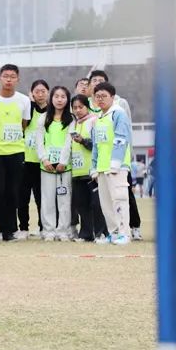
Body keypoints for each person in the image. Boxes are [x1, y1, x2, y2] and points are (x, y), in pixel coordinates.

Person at [0, 64, 32, 242]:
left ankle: (9, 229)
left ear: (18, 79)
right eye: (6, 76)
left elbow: (24, 124)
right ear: (0, 78)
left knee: (13, 192)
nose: (9, 79)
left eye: (12, 76)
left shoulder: (24, 101)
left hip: (16, 151)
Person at [91, 82, 133, 245]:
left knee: (119, 200)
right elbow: (96, 145)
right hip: (102, 167)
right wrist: (94, 167)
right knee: (106, 204)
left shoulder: (118, 114)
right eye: (97, 96)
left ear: (112, 97)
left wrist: (115, 163)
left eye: (104, 96)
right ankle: (114, 233)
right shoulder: (98, 118)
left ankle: (124, 234)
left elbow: (121, 138)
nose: (100, 99)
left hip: (117, 167)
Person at [35, 86, 73, 241]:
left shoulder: (72, 120)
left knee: (65, 200)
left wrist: (63, 161)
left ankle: (63, 230)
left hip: (65, 167)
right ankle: (48, 230)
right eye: (56, 96)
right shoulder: (43, 118)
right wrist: (44, 159)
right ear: (51, 98)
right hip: (47, 166)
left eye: (63, 96)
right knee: (47, 199)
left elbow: (69, 142)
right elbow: (39, 141)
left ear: (67, 99)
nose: (59, 99)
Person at [69, 94, 106, 242]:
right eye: (75, 107)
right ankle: (86, 234)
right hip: (77, 171)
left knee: (96, 204)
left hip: (91, 171)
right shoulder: (73, 124)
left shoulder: (94, 121)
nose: (77, 110)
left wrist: (83, 141)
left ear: (87, 107)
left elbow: (97, 145)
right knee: (81, 204)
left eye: (80, 107)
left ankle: (100, 233)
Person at [21, 79, 49, 236]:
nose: (40, 94)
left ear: (48, 92)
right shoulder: (28, 110)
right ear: (31, 94)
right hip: (25, 160)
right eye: (36, 91)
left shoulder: (52, 112)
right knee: (22, 197)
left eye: (43, 91)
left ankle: (43, 227)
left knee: (41, 197)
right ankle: (23, 228)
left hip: (42, 162)